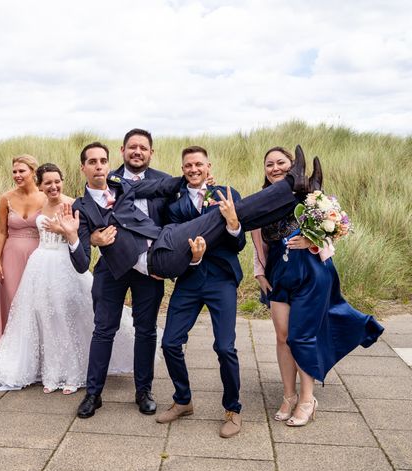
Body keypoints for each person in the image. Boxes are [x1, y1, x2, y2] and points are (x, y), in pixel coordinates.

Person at [60, 143, 323, 418]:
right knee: (229, 214)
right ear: (84, 168)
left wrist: (195, 178)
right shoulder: (80, 208)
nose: (99, 165)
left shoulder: (124, 186)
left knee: (234, 215)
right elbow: (80, 262)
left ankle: (298, 192)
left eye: (103, 160)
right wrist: (75, 236)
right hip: (158, 260)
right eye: (93, 162)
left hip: (165, 242)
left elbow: (165, 186)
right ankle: (296, 186)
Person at [0, 163, 134, 394]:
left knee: (66, 318)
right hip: (39, 265)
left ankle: (72, 375)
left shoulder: (73, 204)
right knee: (44, 319)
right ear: (40, 186)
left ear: (63, 181)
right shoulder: (41, 203)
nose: (53, 186)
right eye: (47, 182)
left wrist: (68, 232)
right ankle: (51, 374)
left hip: (64, 265)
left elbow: (83, 234)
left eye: (57, 181)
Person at [251, 146, 384, 426]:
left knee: (301, 335)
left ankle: (307, 399)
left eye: (281, 163)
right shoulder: (261, 202)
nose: (275, 168)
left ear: (292, 166)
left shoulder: (312, 198)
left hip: (312, 273)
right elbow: (258, 245)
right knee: (282, 335)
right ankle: (288, 395)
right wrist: (260, 273)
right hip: (278, 274)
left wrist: (313, 241)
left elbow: (335, 232)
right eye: (269, 164)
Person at [157, 146, 246, 438]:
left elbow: (239, 244)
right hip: (190, 278)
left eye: (198, 164)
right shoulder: (174, 204)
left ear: (209, 166)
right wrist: (193, 258)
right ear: (182, 170)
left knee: (224, 347)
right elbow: (173, 242)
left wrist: (233, 223)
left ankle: (233, 409)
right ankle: (183, 400)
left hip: (221, 279)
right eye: (187, 166)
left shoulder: (226, 194)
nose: (193, 170)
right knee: (170, 342)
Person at [0, 155, 44, 328]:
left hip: (37, 256)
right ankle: (11, 345)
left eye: (22, 171)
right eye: (14, 171)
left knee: (35, 300)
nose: (17, 175)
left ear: (33, 172)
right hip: (11, 256)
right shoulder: (5, 198)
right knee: (12, 298)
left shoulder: (45, 197)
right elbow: (1, 232)